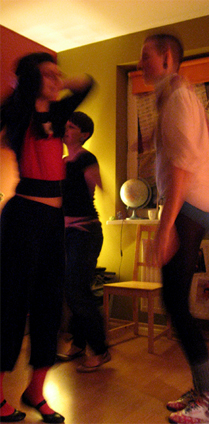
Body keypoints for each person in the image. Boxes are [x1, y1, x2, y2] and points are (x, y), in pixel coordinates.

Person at [1, 52, 93, 423]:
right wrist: (27, 84)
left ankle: (35, 391)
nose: (57, 80)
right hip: (23, 217)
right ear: (31, 80)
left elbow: (87, 84)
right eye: (48, 75)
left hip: (54, 220)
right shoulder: (18, 114)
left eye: (59, 73)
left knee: (49, 304)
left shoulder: (59, 112)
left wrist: (57, 80)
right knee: (11, 304)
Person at [137, 34, 209, 424]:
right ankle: (204, 388)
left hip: (188, 206)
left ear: (167, 57)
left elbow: (182, 167)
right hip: (190, 206)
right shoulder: (174, 97)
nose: (141, 63)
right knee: (175, 302)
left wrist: (165, 226)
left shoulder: (180, 99)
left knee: (174, 301)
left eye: (146, 55)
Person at [57, 111, 110, 372]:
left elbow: (94, 186)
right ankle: (79, 344)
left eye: (72, 126)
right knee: (72, 289)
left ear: (84, 134)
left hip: (85, 232)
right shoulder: (62, 161)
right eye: (66, 125)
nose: (66, 129)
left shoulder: (86, 158)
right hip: (68, 233)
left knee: (77, 290)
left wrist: (96, 181)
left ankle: (100, 350)